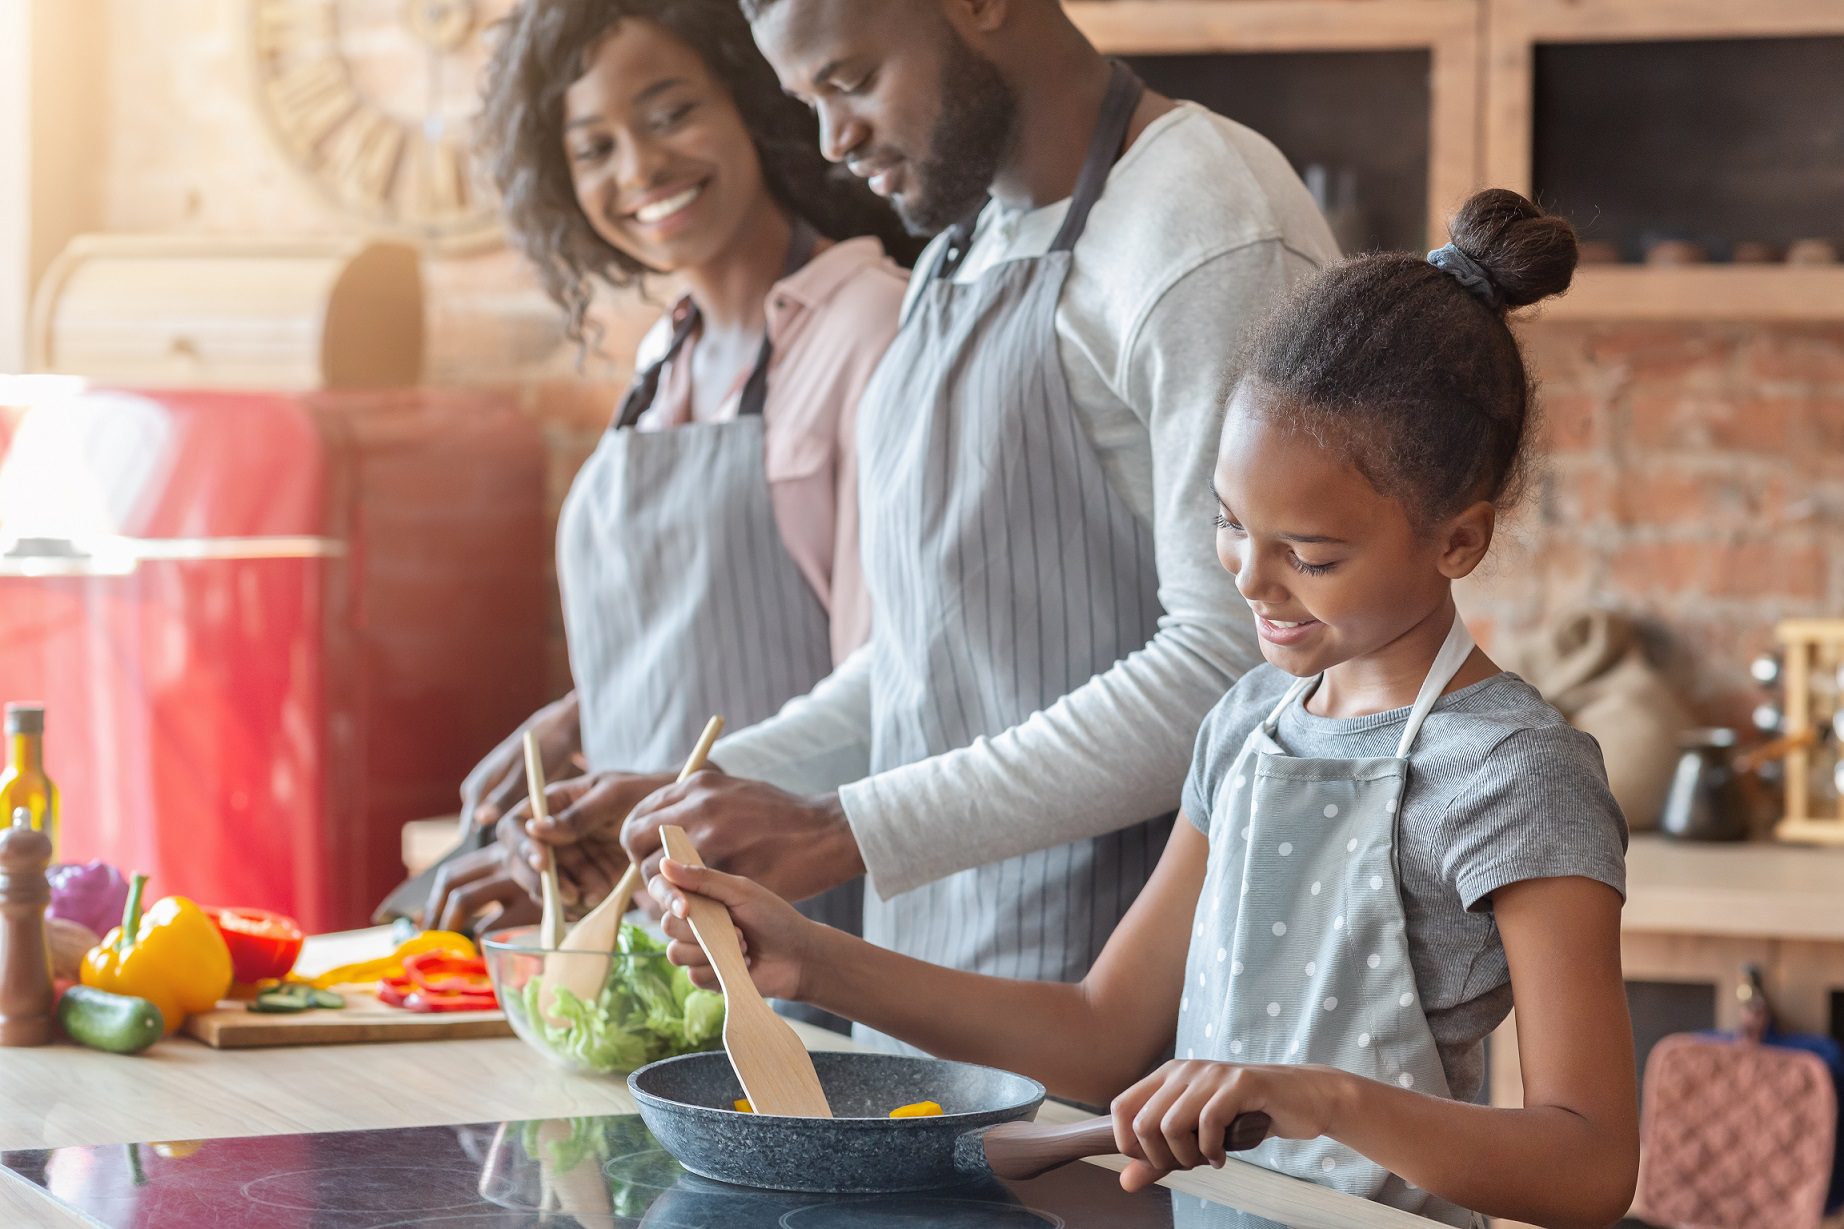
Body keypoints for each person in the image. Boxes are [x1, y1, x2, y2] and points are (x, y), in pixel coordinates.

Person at [648, 191, 1639, 1228]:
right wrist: (813, 958)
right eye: (1227, 523)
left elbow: (1586, 1164)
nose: (1250, 581)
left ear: (1457, 542)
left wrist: (1319, 1097)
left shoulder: (1514, 772)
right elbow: (1100, 1030)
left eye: (1309, 555)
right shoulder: (1249, 723)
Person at [495, 0, 1341, 1041]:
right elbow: (923, 665)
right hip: (934, 993)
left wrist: (842, 827)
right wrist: (704, 792)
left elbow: (1237, 666)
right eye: (807, 101)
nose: (829, 140)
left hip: (1137, 1035)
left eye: (848, 82)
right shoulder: (962, 249)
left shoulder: (1205, 227)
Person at [405, 0, 914, 936]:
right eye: (594, 147)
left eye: (670, 112)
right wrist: (581, 721)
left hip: (803, 924)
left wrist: (671, 794)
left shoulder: (867, 327)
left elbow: (894, 677)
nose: (639, 168)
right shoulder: (661, 359)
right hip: (651, 917)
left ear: (756, 101)